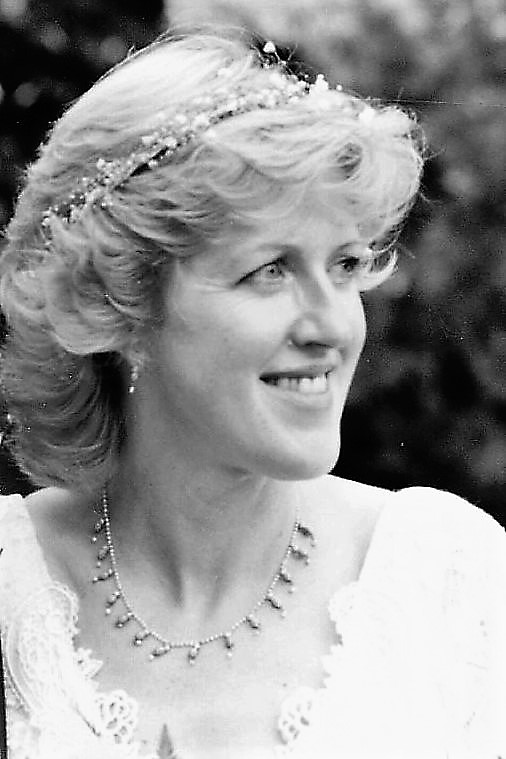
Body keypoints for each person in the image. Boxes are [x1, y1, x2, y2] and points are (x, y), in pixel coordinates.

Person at [0, 27, 504, 759]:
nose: (333, 326)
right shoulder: (10, 582)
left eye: (345, 265)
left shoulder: (450, 581)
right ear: (117, 304)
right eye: (270, 270)